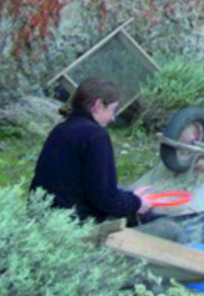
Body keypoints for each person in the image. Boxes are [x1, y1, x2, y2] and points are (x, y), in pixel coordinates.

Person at [30, 78, 153, 223]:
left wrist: (129, 197)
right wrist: (137, 203)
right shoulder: (96, 136)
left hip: (42, 215)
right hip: (71, 225)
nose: (113, 118)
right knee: (169, 228)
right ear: (98, 105)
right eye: (112, 110)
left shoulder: (60, 129)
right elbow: (105, 199)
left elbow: (90, 185)